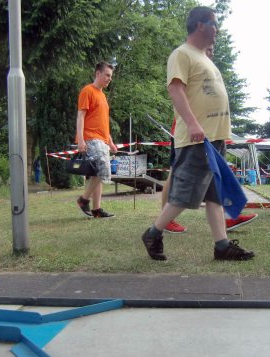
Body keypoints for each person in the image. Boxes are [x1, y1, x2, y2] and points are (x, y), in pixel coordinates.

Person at [141, 6, 254, 261]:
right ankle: (153, 233)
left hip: (213, 138)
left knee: (215, 195)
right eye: (214, 24)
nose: (218, 30)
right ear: (200, 25)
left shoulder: (204, 57)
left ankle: (222, 246)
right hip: (196, 139)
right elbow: (175, 90)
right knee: (185, 194)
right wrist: (192, 124)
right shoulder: (182, 54)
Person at [160, 44, 258, 234]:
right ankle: (162, 223)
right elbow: (177, 91)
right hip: (190, 134)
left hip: (211, 133)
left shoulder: (208, 68)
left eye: (213, 49)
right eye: (208, 48)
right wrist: (192, 124)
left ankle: (225, 223)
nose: (211, 52)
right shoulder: (186, 58)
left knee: (215, 179)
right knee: (177, 176)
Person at [75, 62, 118, 218]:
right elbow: (80, 116)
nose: (109, 79)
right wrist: (81, 139)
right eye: (107, 75)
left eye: (110, 76)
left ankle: (96, 209)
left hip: (102, 140)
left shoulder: (103, 95)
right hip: (90, 138)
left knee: (96, 173)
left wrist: (110, 142)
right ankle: (83, 200)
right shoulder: (87, 91)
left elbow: (103, 122)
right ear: (98, 73)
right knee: (103, 170)